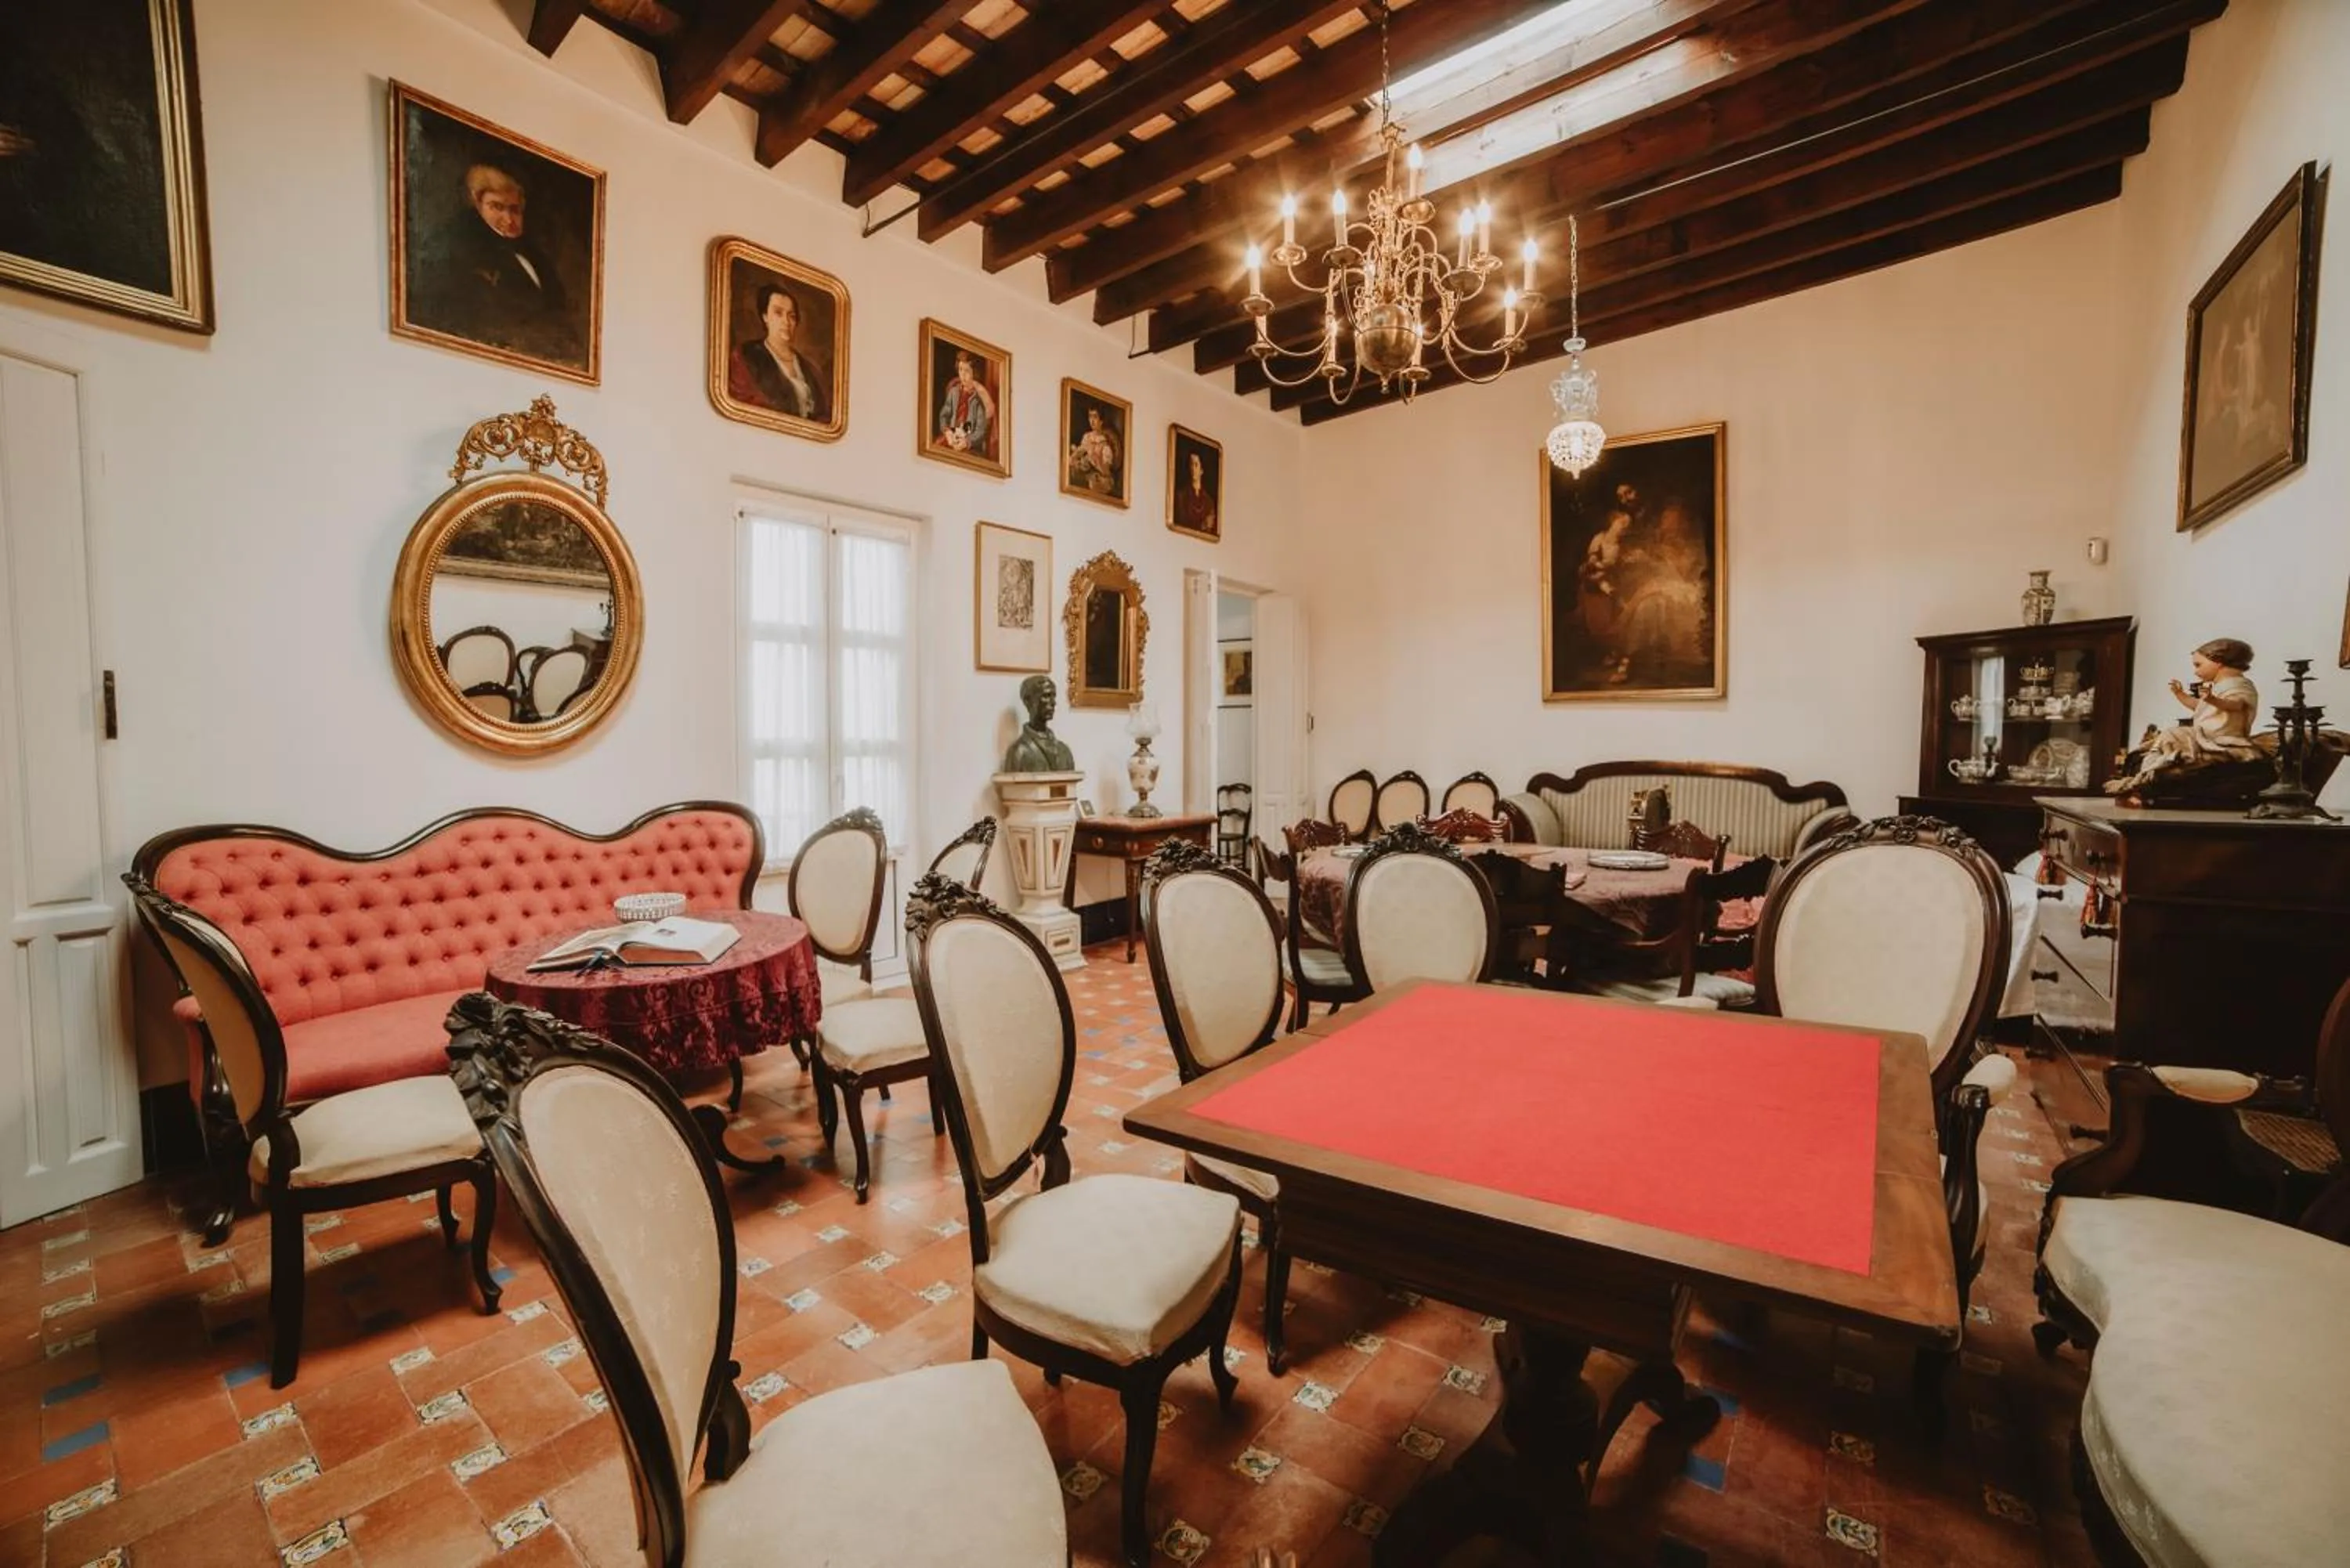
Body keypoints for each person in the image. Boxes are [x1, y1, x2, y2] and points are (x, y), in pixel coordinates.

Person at [415, 162, 577, 360]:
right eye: (497, 207)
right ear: (477, 203)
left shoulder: (537, 257)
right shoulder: (460, 250)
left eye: (514, 210)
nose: (508, 220)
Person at [2106, 638, 2261, 793]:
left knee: (2171, 734)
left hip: (2223, 738)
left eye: (2198, 665)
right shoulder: (2218, 686)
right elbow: (2200, 707)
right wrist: (2179, 694)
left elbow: (2236, 705)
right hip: (2205, 735)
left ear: (2218, 662)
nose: (2196, 671)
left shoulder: (2239, 684)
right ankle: (2146, 773)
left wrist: (2213, 699)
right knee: (2165, 738)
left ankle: (2146, 775)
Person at [728, 284, 829, 422]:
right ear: (765, 317)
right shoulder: (745, 356)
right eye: (778, 313)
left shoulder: (811, 369)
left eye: (791, 316)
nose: (786, 322)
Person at [1001, 674, 1076, 773]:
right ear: (1028, 701)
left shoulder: (1064, 752)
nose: (1053, 702)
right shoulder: (1019, 752)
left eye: (1053, 696)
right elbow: (1011, 788)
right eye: (1046, 696)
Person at [935, 349, 996, 458]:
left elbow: (980, 431)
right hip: (951, 438)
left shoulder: (978, 399)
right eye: (960, 369)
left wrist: (967, 442)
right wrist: (947, 431)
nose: (962, 374)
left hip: (969, 444)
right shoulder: (954, 392)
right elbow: (944, 415)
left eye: (967, 371)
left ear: (974, 373)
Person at [1068, 405, 1120, 497]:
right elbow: (1080, 451)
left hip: (1100, 479)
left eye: (1095, 417)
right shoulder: (1087, 437)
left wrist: (1094, 461)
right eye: (1090, 416)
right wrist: (1073, 458)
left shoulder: (1105, 443)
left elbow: (1106, 471)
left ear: (1101, 421)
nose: (1092, 421)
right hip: (1087, 474)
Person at [1173, 448, 1217, 536]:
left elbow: (1211, 531)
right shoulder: (1180, 496)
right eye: (1191, 464)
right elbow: (1180, 526)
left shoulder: (1209, 502)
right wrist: (1202, 525)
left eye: (1196, 465)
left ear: (1202, 470)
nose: (1193, 468)